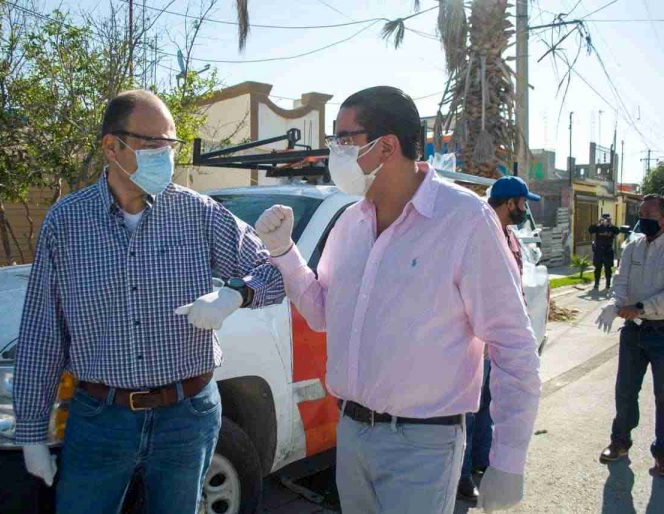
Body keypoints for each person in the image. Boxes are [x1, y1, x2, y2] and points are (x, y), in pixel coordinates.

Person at [255, 86, 541, 513]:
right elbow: (320, 313)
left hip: (423, 445)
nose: (335, 152)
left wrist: (508, 460)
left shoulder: (463, 219)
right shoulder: (350, 223)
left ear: (386, 146)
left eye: (344, 139)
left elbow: (513, 346)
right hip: (350, 434)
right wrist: (283, 252)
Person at [13, 90, 285, 514]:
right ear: (112, 146)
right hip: (100, 420)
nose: (167, 157)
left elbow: (275, 270)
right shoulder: (66, 223)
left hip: (187, 417)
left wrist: (236, 295)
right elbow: (42, 331)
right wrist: (31, 431)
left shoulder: (199, 214)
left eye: (171, 146)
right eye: (154, 145)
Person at [453, 176, 542, 501]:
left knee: (488, 409)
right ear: (510, 203)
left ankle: (481, 465)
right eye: (523, 203)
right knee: (470, 414)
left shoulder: (509, 235)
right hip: (478, 343)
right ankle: (461, 478)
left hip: (499, 345)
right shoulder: (479, 233)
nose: (525, 209)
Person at [596, 194, 664, 476]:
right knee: (625, 391)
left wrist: (640, 308)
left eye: (648, 213)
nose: (642, 218)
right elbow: (621, 281)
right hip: (633, 334)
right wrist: (614, 303)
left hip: (661, 332)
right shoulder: (632, 246)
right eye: (640, 213)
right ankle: (620, 442)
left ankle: (662, 455)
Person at [589, 213, 620, 291]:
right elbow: (590, 230)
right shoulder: (598, 227)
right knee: (597, 268)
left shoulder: (612, 228)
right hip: (599, 250)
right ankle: (596, 284)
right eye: (604, 219)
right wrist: (598, 223)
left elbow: (617, 231)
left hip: (608, 250)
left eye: (607, 219)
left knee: (608, 269)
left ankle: (608, 285)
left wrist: (611, 224)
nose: (606, 221)